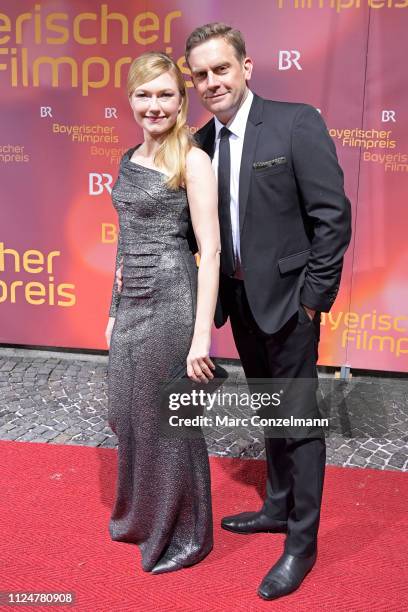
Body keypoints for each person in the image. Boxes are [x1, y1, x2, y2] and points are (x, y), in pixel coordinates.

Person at [184, 23, 352, 600]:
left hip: (291, 308)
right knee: (272, 416)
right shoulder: (199, 144)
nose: (212, 82)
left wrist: (312, 302)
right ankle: (278, 506)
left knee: (300, 425)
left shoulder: (295, 121)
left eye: (220, 69)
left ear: (246, 67)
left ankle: (301, 545)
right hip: (240, 306)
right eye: (200, 74)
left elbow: (333, 217)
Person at [105, 51, 220, 575]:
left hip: (174, 300)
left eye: (165, 94)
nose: (155, 105)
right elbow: (124, 242)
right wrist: (112, 308)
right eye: (144, 94)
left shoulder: (192, 159)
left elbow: (211, 251)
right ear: (130, 98)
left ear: (182, 99)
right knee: (129, 414)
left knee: (171, 421)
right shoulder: (129, 157)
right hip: (131, 304)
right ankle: (143, 515)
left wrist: (201, 339)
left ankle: (186, 532)